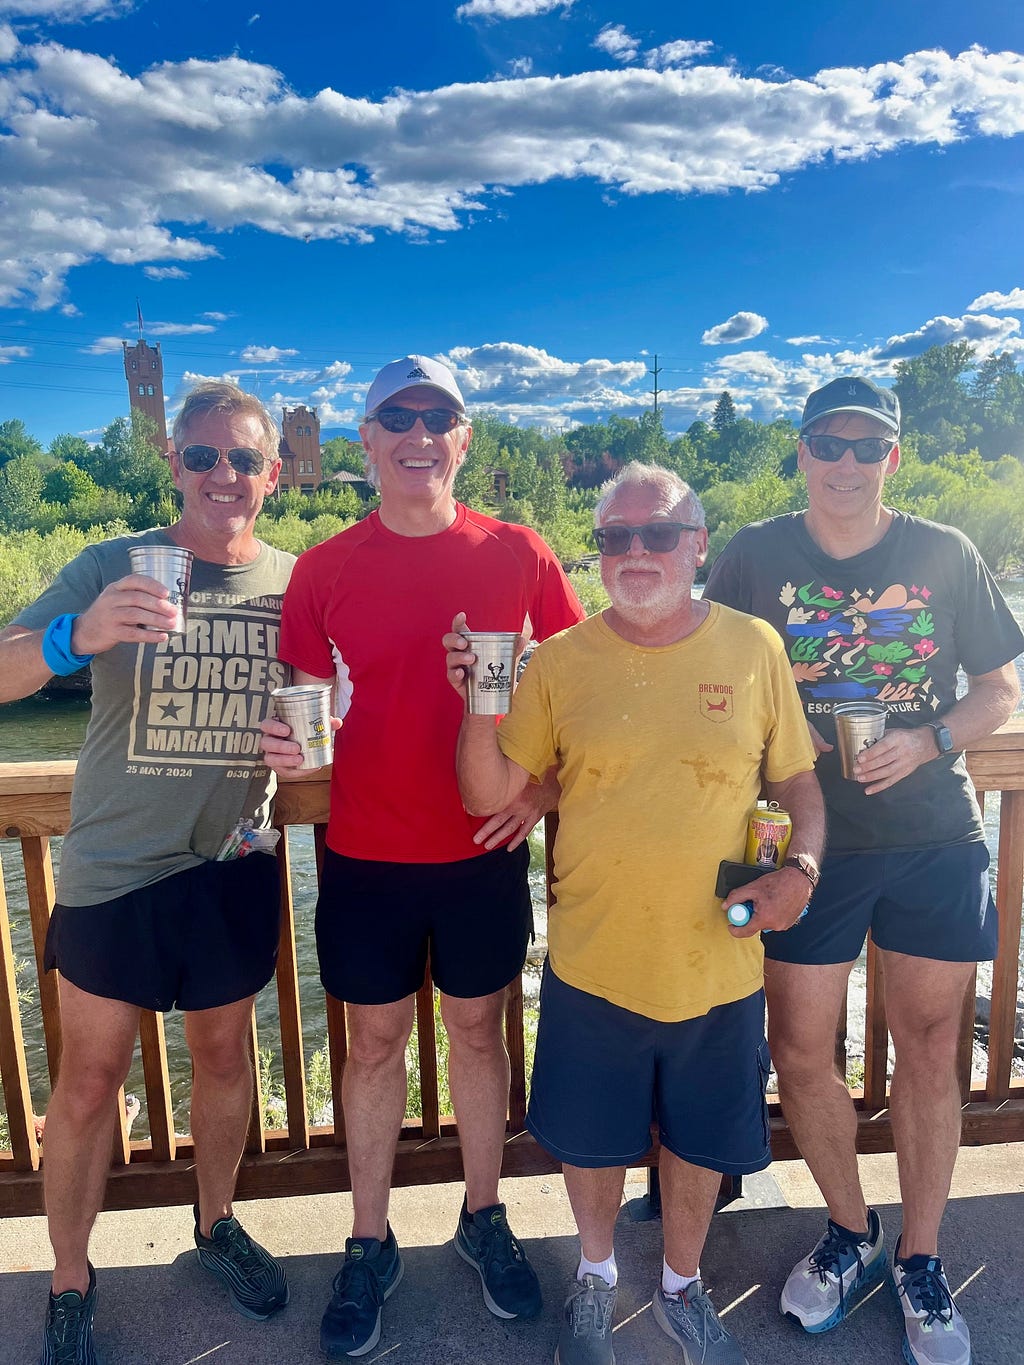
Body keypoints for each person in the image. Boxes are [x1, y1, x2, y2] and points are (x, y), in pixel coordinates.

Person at [447, 462, 825, 1365]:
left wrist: (803, 867)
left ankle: (681, 1287)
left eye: (656, 533)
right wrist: (478, 696)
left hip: (719, 961)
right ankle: (596, 1275)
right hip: (593, 959)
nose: (635, 552)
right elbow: (487, 789)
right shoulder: (562, 661)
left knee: (699, 1142)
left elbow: (798, 778)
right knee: (592, 1140)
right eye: (615, 537)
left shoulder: (755, 646)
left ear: (696, 543)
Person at [260, 355, 585, 1359]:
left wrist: (540, 788)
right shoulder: (323, 567)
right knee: (370, 1046)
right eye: (394, 417)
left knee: (481, 1038)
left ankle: (482, 1217)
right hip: (361, 850)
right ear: (367, 442)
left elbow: (579, 692)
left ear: (463, 439)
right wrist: (284, 749)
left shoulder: (520, 552)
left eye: (435, 417)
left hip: (482, 849)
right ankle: (368, 1238)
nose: (416, 434)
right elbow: (303, 709)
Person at [703, 376, 1024, 1365]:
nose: (844, 463)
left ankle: (921, 1256)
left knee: (931, 1049)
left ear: (892, 457)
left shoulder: (942, 552)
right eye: (824, 444)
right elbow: (702, 677)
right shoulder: (753, 555)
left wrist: (929, 740)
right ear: (798, 452)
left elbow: (997, 687)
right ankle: (852, 1231)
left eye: (864, 446)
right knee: (801, 1050)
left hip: (931, 835)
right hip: (801, 843)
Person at [0, 382, 295, 1364]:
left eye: (243, 459)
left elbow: (336, 705)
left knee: (220, 1062)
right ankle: (71, 1279)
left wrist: (313, 747)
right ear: (173, 462)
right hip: (114, 869)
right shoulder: (109, 566)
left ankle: (214, 1226)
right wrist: (73, 637)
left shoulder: (299, 583)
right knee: (86, 1083)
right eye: (202, 456)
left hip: (233, 861)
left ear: (272, 474)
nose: (223, 474)